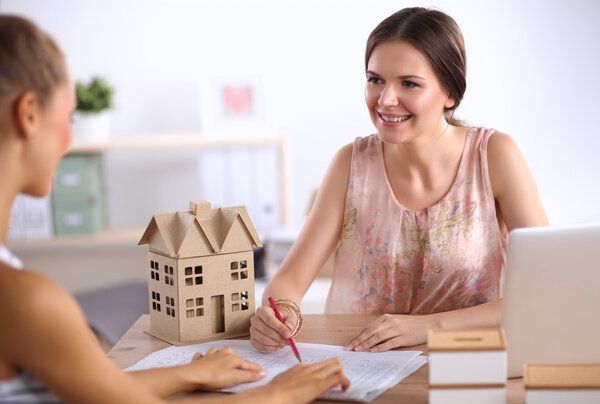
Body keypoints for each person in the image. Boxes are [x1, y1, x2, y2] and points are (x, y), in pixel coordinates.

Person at [0, 15, 349, 403]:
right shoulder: (26, 299)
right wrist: (280, 394)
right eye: (68, 116)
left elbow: (100, 391)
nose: (68, 139)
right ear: (28, 114)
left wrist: (189, 372)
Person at [250, 7, 548, 354]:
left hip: (467, 364)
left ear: (450, 93)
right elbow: (287, 282)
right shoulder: (350, 163)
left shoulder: (494, 155)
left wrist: (428, 327)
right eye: (375, 79)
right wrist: (281, 315)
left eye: (409, 83)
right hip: (359, 368)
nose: (386, 100)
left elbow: (545, 285)